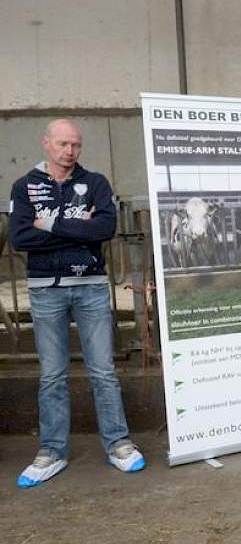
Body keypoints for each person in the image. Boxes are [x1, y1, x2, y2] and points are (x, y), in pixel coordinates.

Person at [9, 118, 145, 488]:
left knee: (103, 370)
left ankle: (118, 443)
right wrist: (75, 229)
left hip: (90, 287)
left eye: (76, 145)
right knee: (52, 374)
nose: (69, 151)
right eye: (62, 144)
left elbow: (103, 230)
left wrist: (48, 225)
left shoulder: (96, 183)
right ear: (46, 144)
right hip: (45, 289)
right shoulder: (25, 187)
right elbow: (20, 236)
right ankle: (51, 450)